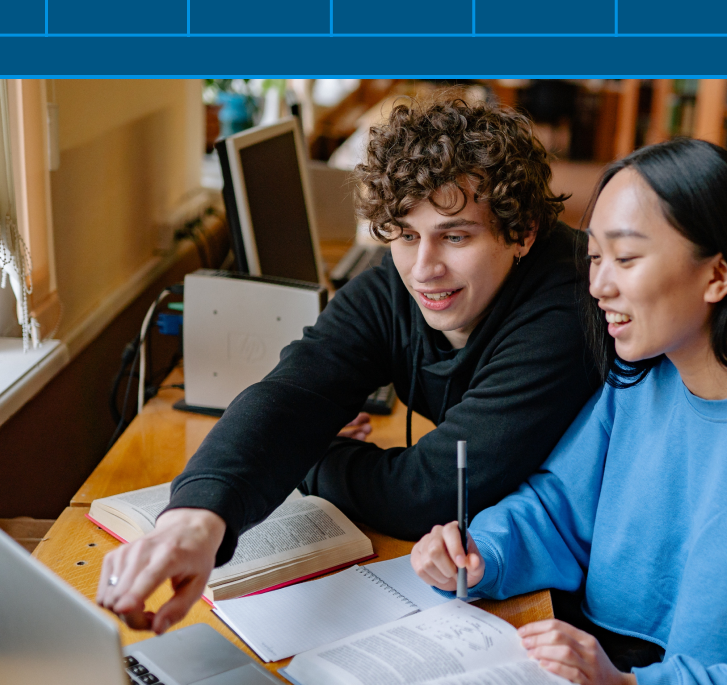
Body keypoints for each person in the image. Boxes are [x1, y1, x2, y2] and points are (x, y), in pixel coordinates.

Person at [412, 137, 727, 685]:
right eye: (594, 257)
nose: (598, 285)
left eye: (626, 257)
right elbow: (556, 510)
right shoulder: (641, 379)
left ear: (718, 274)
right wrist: (478, 554)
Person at [97, 93, 603, 634]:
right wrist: (196, 520)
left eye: (455, 236)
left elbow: (428, 493)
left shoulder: (569, 305)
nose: (424, 269)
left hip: (574, 601)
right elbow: (295, 391)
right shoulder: (401, 280)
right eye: (406, 235)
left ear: (521, 232)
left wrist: (317, 453)